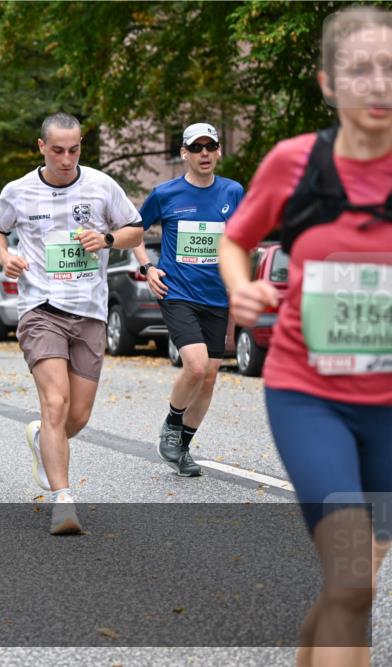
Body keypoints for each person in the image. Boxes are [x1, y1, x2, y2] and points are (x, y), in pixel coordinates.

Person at [218, 7, 391, 665]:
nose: (377, 84)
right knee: (352, 576)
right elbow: (236, 241)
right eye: (359, 69)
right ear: (328, 83)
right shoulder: (294, 163)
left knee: (356, 583)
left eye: (390, 69)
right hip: (308, 393)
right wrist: (241, 286)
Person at [0, 113, 143, 534]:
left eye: (74, 150)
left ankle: (42, 440)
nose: (66, 158)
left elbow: (135, 229)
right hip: (41, 308)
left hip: (89, 311)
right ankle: (63, 501)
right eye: (58, 150)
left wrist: (108, 239)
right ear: (41, 147)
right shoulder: (18, 191)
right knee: (55, 404)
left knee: (78, 415)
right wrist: (5, 258)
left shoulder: (101, 186)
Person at [132, 123, 245, 476]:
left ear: (218, 151)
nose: (205, 153)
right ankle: (171, 424)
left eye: (210, 146)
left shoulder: (233, 192)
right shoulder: (166, 194)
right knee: (195, 365)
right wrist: (148, 268)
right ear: (184, 153)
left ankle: (182, 447)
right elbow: (132, 231)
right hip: (177, 292)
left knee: (210, 376)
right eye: (196, 148)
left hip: (217, 296)